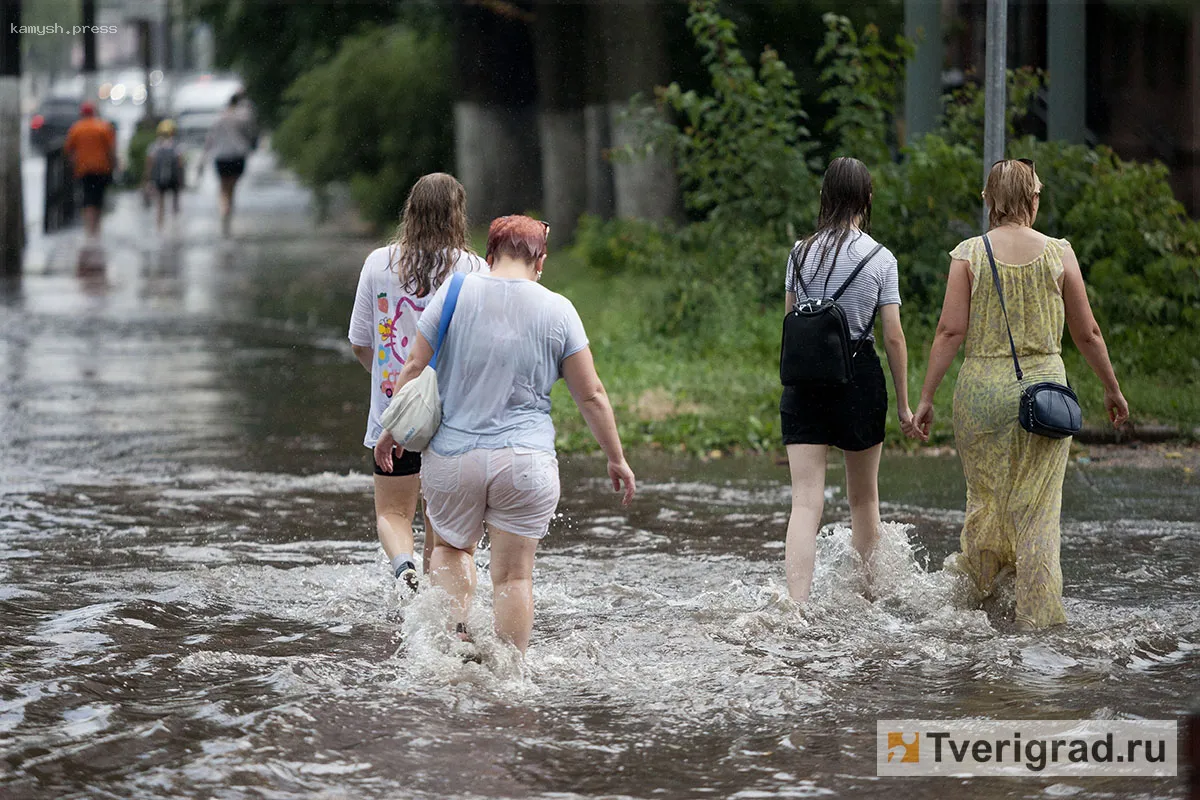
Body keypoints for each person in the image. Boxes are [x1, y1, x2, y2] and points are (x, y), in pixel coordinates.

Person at [374, 215, 636, 654]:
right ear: (541, 261)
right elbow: (590, 394)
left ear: (490, 255)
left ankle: (456, 640)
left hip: (455, 461)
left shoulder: (454, 292)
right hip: (526, 462)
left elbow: (415, 366)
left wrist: (391, 429)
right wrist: (616, 457)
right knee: (514, 576)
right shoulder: (558, 308)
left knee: (453, 551)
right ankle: (509, 672)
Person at [910, 158, 1129, 629]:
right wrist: (1111, 387)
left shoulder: (969, 254)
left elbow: (949, 332)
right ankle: (1038, 621)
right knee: (1037, 511)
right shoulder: (1058, 253)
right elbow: (1087, 332)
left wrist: (925, 396)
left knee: (985, 500)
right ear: (1033, 199)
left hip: (981, 396)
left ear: (989, 200)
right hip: (1046, 395)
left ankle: (974, 609)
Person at [780, 157, 912, 604]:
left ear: (826, 197)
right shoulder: (882, 259)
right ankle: (871, 601)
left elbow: (792, 320)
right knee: (863, 501)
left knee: (804, 502)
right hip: (859, 383)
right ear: (867, 199)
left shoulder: (799, 253)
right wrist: (906, 404)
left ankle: (795, 607)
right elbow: (893, 337)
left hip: (804, 385)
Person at [349, 174, 489, 593]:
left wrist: (392, 385)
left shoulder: (378, 263)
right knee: (441, 531)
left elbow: (360, 342)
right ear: (457, 215)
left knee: (391, 514)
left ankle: (402, 567)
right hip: (453, 419)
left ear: (410, 211)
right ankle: (437, 604)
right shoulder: (473, 268)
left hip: (395, 416)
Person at [202, 93, 254, 237]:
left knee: (223, 187)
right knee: (232, 187)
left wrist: (204, 157)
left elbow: (210, 140)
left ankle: (224, 210)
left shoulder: (218, 118)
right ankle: (229, 212)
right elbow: (250, 135)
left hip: (221, 157)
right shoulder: (243, 118)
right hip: (238, 155)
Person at [63, 102, 116, 239]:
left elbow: (68, 150)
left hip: (83, 169)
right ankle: (97, 229)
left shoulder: (76, 129)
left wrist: (73, 164)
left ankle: (89, 230)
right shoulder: (103, 127)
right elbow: (111, 149)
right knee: (98, 198)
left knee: (87, 199)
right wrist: (114, 164)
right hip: (102, 168)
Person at [144, 119, 185, 229]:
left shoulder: (154, 146)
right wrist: (181, 180)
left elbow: (149, 164)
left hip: (159, 179)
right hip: (174, 179)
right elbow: (180, 164)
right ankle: (175, 227)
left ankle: (160, 228)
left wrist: (147, 180)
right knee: (175, 203)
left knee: (160, 204)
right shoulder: (177, 145)